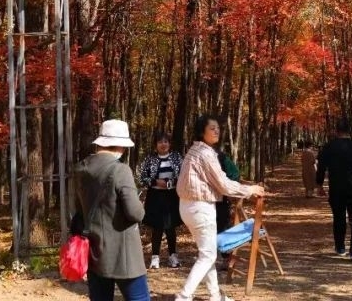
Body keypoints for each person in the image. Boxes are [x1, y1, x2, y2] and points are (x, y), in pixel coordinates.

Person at [175, 115, 264, 301]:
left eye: (218, 128)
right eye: (212, 128)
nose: (217, 131)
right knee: (208, 255)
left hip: (188, 207)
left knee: (207, 253)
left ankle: (215, 296)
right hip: (200, 207)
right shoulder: (205, 154)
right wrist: (250, 190)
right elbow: (223, 184)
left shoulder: (195, 150)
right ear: (202, 132)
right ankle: (183, 296)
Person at [71, 119, 150, 301]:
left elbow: (80, 209)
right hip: (124, 254)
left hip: (94, 252)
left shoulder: (80, 169)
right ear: (121, 146)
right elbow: (135, 213)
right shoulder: (120, 170)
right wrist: (141, 204)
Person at [316, 118, 352, 261]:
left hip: (336, 188)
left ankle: (340, 248)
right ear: (349, 131)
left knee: (339, 218)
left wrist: (319, 185)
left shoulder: (329, 147)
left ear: (336, 131)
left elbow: (321, 167)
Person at [136, 132, 183, 270]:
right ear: (155, 144)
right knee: (157, 227)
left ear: (170, 144)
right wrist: (155, 181)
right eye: (160, 142)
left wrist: (169, 183)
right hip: (155, 196)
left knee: (171, 227)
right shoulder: (149, 158)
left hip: (171, 196)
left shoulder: (176, 157)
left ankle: (173, 256)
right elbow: (141, 177)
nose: (163, 144)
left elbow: (183, 175)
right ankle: (155, 257)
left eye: (166, 141)